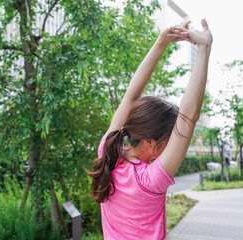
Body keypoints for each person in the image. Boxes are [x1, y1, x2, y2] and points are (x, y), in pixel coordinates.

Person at [87, 19, 213, 240]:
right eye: (168, 139)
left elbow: (131, 96)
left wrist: (160, 43)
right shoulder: (150, 181)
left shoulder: (108, 153)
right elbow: (189, 116)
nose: (171, 145)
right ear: (150, 143)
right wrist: (204, 48)